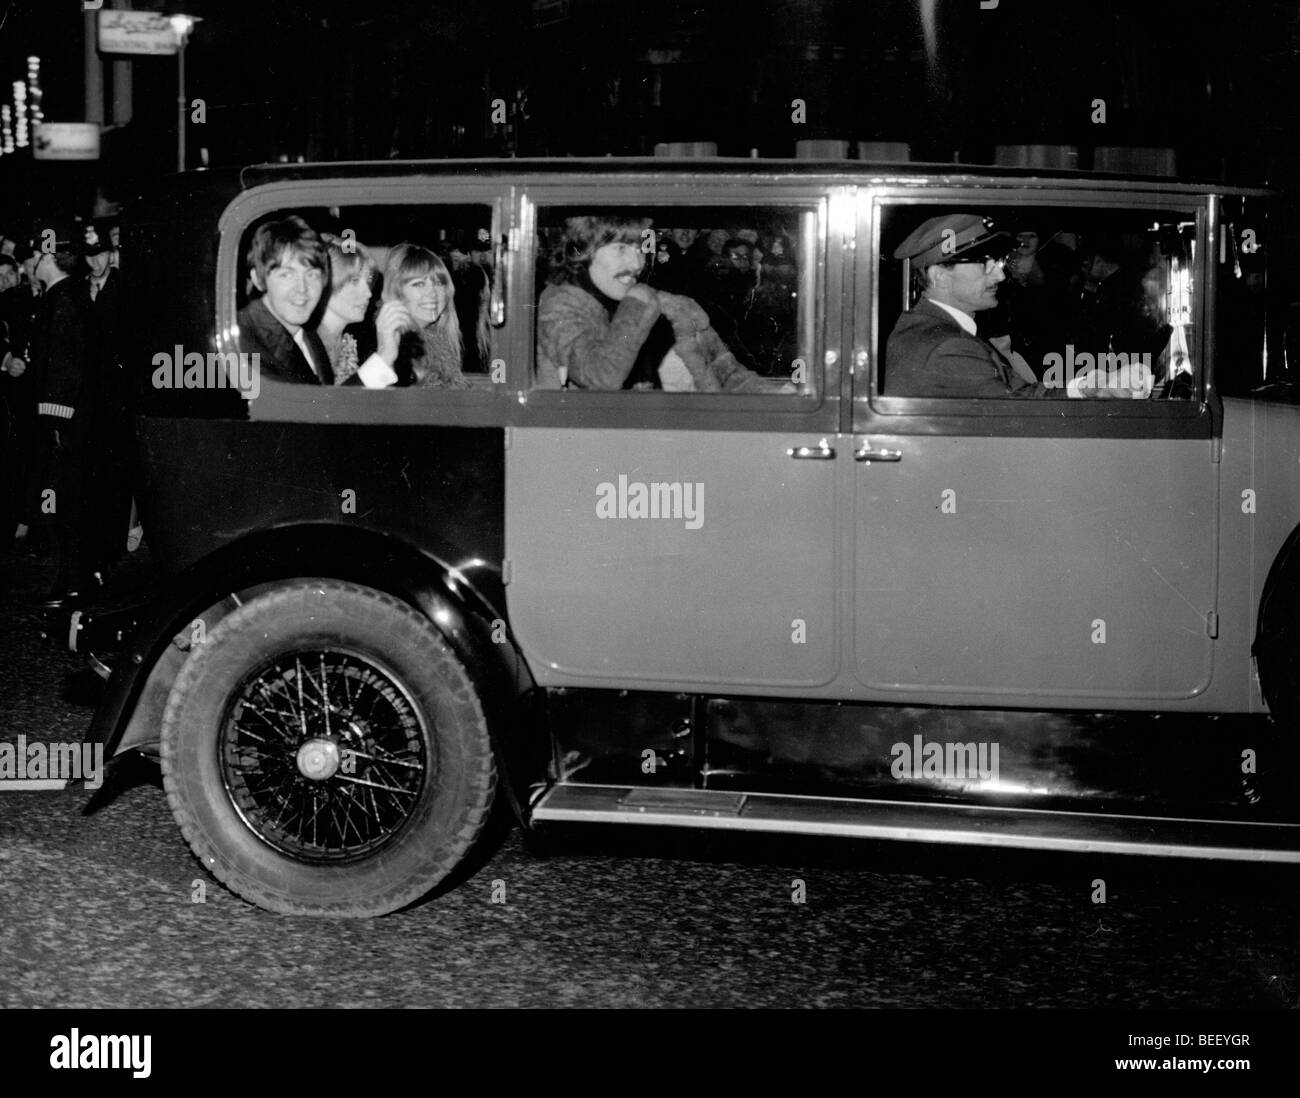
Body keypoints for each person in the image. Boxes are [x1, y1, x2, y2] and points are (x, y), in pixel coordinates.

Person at [885, 214, 1144, 399]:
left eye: (997, 264)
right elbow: (1021, 416)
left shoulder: (931, 329)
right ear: (939, 275)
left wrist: (1089, 387)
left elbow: (1018, 395)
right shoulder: (949, 348)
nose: (999, 276)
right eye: (984, 265)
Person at [536, 214, 779, 392]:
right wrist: (639, 302)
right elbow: (599, 376)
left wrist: (777, 396)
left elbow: (726, 372)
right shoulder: (560, 306)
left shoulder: (657, 302)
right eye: (621, 249)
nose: (636, 263)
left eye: (639, 248)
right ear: (582, 251)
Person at [25, 222, 97, 607]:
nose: (28, 263)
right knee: (63, 502)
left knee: (62, 503)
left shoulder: (62, 300)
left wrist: (54, 422)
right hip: (68, 423)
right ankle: (72, 578)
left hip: (64, 425)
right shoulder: (65, 296)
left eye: (34, 254)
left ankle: (72, 583)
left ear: (48, 257)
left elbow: (65, 368)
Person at [237, 216, 395, 388]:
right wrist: (383, 359)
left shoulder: (307, 337)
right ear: (258, 280)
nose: (302, 289)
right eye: (286, 274)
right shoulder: (243, 344)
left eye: (312, 274)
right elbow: (310, 412)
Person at [315, 239, 406, 386]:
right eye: (355, 281)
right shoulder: (306, 345)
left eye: (368, 281)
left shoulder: (347, 343)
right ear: (326, 283)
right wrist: (383, 358)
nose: (368, 293)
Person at [381, 244, 469, 389]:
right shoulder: (390, 346)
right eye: (419, 284)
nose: (432, 292)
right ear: (397, 291)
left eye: (438, 283)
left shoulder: (440, 342)